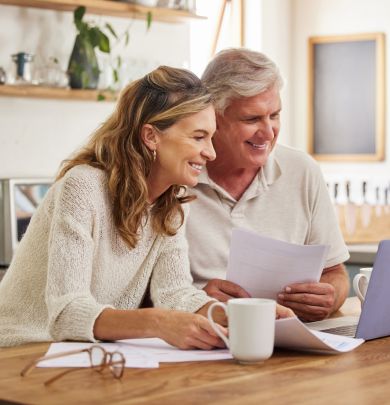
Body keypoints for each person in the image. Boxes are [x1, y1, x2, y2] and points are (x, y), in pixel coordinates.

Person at [0, 66, 224, 349]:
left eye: (211, 137)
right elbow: (66, 313)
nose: (211, 152)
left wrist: (240, 317)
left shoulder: (172, 202)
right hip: (19, 350)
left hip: (84, 353)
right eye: (198, 136)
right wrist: (157, 323)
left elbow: (175, 293)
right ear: (151, 136)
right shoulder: (83, 187)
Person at [186, 48, 350, 322]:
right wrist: (194, 301)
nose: (268, 132)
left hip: (290, 343)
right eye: (252, 119)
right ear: (213, 117)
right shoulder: (177, 176)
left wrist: (330, 296)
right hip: (204, 342)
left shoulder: (302, 171)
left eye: (274, 115)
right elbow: (139, 295)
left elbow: (336, 274)